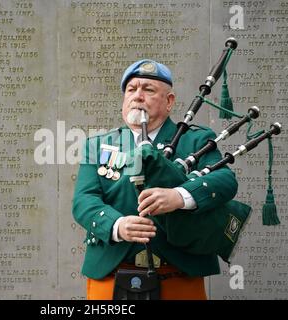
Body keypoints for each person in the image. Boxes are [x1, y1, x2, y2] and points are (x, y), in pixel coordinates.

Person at [72, 59, 239, 300]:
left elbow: (225, 181)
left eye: (148, 89)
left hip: (179, 275)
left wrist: (179, 197)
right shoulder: (97, 145)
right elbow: (84, 201)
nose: (138, 96)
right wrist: (118, 226)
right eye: (131, 89)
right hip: (111, 273)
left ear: (169, 101)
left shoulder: (196, 140)